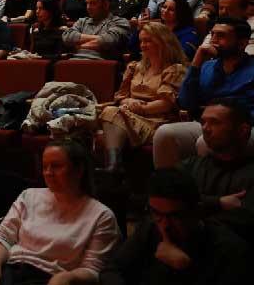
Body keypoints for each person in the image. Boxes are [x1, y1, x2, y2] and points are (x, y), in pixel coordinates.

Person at [0, 139, 120, 285]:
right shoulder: (29, 195)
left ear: (79, 170)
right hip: (11, 266)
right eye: (45, 166)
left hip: (49, 277)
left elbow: (93, 269)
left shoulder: (101, 215)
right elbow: (4, 236)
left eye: (56, 166)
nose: (48, 172)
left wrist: (68, 277)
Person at [102, 168, 250, 285]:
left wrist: (186, 269)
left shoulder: (229, 250)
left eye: (174, 216)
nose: (165, 224)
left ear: (196, 211)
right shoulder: (150, 228)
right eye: (156, 213)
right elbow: (111, 271)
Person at [153, 18, 254, 168]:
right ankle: (169, 188)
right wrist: (196, 63)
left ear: (242, 42)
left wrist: (230, 122)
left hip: (244, 127)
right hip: (208, 124)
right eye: (212, 34)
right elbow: (186, 102)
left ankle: (208, 189)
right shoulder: (207, 67)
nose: (213, 40)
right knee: (165, 134)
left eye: (221, 36)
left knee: (205, 142)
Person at [98, 23, 188, 172]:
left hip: (157, 121)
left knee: (110, 112)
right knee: (88, 119)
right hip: (129, 113)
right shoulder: (135, 67)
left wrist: (140, 108)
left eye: (148, 41)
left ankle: (113, 168)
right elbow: (121, 96)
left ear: (163, 42)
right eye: (141, 41)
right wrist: (130, 101)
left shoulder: (174, 69)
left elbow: (166, 104)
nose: (143, 45)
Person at [177, 98, 254, 243]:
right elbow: (160, 200)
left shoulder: (250, 173)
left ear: (243, 130)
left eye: (215, 122)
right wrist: (217, 203)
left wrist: (193, 206)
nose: (205, 128)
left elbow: (242, 224)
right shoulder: (190, 165)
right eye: (203, 122)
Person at [61, 0, 131, 60]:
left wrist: (80, 45)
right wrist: (98, 39)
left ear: (106, 4)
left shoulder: (120, 22)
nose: (88, 7)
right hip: (74, 62)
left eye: (92, 3)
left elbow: (108, 41)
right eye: (87, 3)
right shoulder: (82, 21)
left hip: (101, 65)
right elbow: (67, 36)